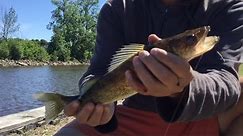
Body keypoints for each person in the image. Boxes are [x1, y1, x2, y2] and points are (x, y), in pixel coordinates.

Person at [55, 0, 243, 135]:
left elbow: (226, 79)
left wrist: (184, 89)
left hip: (205, 117)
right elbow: (98, 72)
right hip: (131, 119)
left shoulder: (229, 5)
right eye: (191, 39)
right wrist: (103, 112)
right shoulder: (117, 9)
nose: (198, 37)